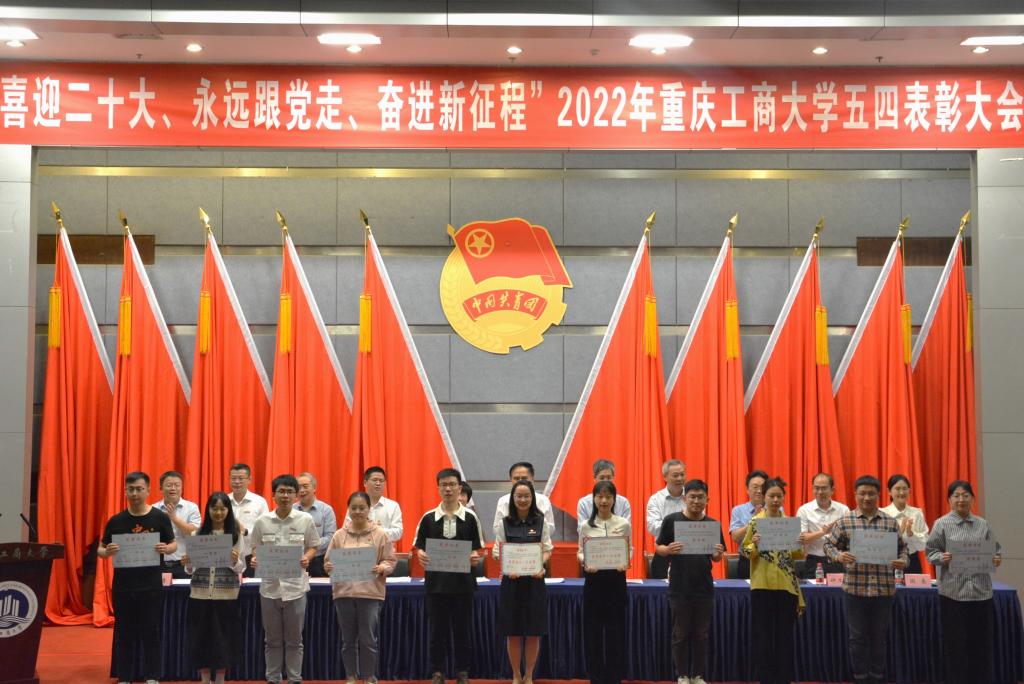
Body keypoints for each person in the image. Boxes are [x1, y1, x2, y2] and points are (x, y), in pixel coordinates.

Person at [824, 475, 909, 684]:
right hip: (855, 590)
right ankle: (860, 677)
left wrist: (903, 561)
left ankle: (876, 678)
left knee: (879, 639)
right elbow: (828, 545)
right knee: (857, 639)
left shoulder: (890, 522)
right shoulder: (845, 521)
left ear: (879, 495)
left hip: (883, 590)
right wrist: (838, 556)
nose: (867, 497)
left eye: (871, 493)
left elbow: (903, 549)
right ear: (855, 494)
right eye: (862, 493)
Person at [98, 471, 176, 684]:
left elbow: (173, 544)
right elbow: (100, 550)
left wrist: (166, 548)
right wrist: (107, 552)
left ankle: (152, 677)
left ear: (148, 490)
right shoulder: (116, 521)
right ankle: (125, 677)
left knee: (152, 632)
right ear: (125, 491)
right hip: (123, 587)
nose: (135, 493)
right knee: (124, 633)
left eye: (139, 489)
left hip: (151, 586)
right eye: (131, 489)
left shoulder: (159, 518)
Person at [926, 480, 1002, 684]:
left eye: (966, 495)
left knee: (981, 645)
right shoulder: (941, 524)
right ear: (949, 500)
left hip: (981, 594)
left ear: (973, 499)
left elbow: (996, 550)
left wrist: (996, 558)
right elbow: (930, 552)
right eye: (956, 495)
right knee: (955, 646)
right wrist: (942, 557)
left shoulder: (983, 524)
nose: (961, 499)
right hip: (953, 595)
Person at [413, 468, 486, 684]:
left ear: (459, 488)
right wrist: (420, 554)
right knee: (437, 632)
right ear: (438, 488)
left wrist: (475, 556)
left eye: (452, 484)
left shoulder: (470, 518)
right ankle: (438, 672)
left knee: (463, 631)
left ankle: (462, 672)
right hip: (436, 585)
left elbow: (478, 549)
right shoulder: (428, 518)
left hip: (463, 585)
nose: (448, 488)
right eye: (443, 485)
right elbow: (419, 547)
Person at [249, 474, 320, 684]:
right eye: (281, 491)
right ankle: (272, 678)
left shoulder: (305, 520)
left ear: (296, 495)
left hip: (296, 588)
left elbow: (313, 546)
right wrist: (255, 559)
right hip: (269, 589)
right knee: (272, 640)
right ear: (273, 495)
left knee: (294, 640)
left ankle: (294, 679)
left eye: (290, 492)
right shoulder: (262, 522)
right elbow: (256, 547)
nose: (285, 496)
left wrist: (307, 558)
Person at [654, 479, 725, 684]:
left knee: (701, 635)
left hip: (704, 588)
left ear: (707, 500)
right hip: (679, 587)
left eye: (700, 497)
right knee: (681, 634)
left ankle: (698, 675)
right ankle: (683, 675)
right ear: (685, 498)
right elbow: (658, 548)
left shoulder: (712, 525)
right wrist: (668, 550)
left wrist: (717, 553)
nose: (696, 501)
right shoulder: (671, 521)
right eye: (692, 496)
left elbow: (716, 558)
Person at [325, 491, 398, 684]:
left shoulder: (380, 534)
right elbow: (327, 562)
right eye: (354, 508)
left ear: (369, 509)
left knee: (368, 640)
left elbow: (391, 560)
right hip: (344, 594)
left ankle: (368, 677)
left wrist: (383, 567)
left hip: (370, 594)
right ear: (348, 510)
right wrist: (329, 566)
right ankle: (351, 676)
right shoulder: (339, 536)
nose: (357, 512)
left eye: (362, 508)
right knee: (347, 640)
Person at [742, 477, 804, 684]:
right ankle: (766, 679)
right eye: (771, 496)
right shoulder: (755, 522)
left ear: (783, 498)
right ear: (764, 497)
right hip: (762, 586)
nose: (775, 500)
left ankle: (784, 678)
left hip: (786, 586)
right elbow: (745, 551)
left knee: (785, 636)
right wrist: (755, 544)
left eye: (779, 496)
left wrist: (799, 543)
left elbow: (797, 555)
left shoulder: (789, 523)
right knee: (764, 636)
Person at [182, 491, 246, 684]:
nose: (218, 513)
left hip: (226, 595)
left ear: (228, 510)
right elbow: (190, 570)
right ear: (208, 510)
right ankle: (204, 678)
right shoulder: (196, 535)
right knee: (200, 639)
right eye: (214, 508)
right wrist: (188, 562)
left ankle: (219, 679)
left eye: (222, 508)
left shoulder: (235, 535)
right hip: (200, 594)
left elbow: (241, 567)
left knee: (223, 640)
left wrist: (234, 561)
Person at [494, 480, 553, 684]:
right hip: (511, 583)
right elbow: (498, 550)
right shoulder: (504, 523)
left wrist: (540, 564)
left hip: (535, 583)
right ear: (513, 498)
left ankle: (528, 675)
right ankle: (516, 675)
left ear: (532, 498)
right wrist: (506, 566)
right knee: (513, 632)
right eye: (518, 496)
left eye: (527, 496)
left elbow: (547, 549)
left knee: (534, 631)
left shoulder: (541, 521)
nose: (523, 500)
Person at [578, 480, 631, 684]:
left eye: (608, 496)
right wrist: (585, 562)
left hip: (616, 581)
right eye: (600, 496)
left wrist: (626, 561)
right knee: (593, 632)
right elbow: (580, 552)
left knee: (615, 631)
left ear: (614, 499)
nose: (604, 501)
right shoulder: (586, 526)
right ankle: (596, 676)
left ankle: (614, 676)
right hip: (594, 582)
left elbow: (630, 549)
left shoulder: (623, 524)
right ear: (593, 499)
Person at [796, 472, 850, 578]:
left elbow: (848, 538)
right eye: (816, 488)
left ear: (832, 490)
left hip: (836, 561)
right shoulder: (804, 510)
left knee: (837, 589)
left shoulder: (843, 510)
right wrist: (822, 532)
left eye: (824, 488)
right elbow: (801, 539)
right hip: (813, 561)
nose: (820, 492)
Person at [153, 470, 201, 579]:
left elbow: (194, 534)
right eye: (169, 485)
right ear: (161, 488)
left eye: (177, 485)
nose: (173, 488)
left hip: (184, 564)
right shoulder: (153, 509)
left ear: (182, 487)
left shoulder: (191, 507)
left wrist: (174, 518)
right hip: (159, 564)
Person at [645, 459, 686, 579]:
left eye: (682, 474)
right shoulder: (656, 499)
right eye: (675, 475)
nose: (680, 478)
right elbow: (652, 527)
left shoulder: (692, 497)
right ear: (665, 477)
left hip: (689, 552)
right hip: (663, 551)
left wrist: (669, 526)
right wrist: (681, 527)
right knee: (660, 588)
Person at [880, 474, 928, 574]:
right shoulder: (882, 514)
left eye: (904, 489)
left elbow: (923, 546)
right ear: (889, 491)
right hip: (889, 561)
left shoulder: (917, 513)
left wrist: (911, 534)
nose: (901, 492)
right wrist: (899, 533)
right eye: (897, 489)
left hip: (912, 561)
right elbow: (880, 544)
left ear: (909, 491)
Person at [492, 462, 555, 538]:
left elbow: (550, 528)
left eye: (524, 478)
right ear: (511, 480)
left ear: (532, 479)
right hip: (511, 543)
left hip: (537, 542)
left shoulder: (544, 500)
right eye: (516, 478)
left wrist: (532, 534)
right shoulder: (503, 501)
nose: (520, 481)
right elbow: (497, 529)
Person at [228, 462, 269, 577]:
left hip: (251, 557)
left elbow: (265, 531)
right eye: (233, 478)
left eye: (241, 478)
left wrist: (245, 531)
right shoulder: (224, 501)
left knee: (251, 588)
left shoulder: (259, 502)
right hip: (227, 557)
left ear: (249, 479)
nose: (237, 482)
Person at [729, 469, 771, 580]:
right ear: (747, 489)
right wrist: (754, 520)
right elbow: (735, 537)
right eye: (755, 487)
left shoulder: (777, 509)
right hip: (747, 561)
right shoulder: (738, 510)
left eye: (762, 487)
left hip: (771, 561)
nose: (759, 491)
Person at [294, 471, 337, 578]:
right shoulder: (291, 509)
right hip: (294, 561)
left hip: (319, 561)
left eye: (305, 486)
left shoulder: (326, 510)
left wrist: (310, 546)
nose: (302, 490)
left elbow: (331, 537)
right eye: (299, 487)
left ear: (314, 488)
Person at [576, 459, 632, 534]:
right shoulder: (584, 503)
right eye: (602, 478)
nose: (605, 481)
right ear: (594, 478)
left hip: (617, 540)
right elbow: (582, 530)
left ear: (613, 477)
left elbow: (626, 529)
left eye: (609, 478)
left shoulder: (623, 502)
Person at [362, 466, 404, 543]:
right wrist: (365, 529)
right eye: (374, 480)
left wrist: (378, 531)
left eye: (381, 481)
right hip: (361, 548)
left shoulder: (393, 506)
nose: (378, 483)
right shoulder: (356, 505)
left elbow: (398, 532)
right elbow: (347, 529)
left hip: (385, 549)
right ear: (365, 483)